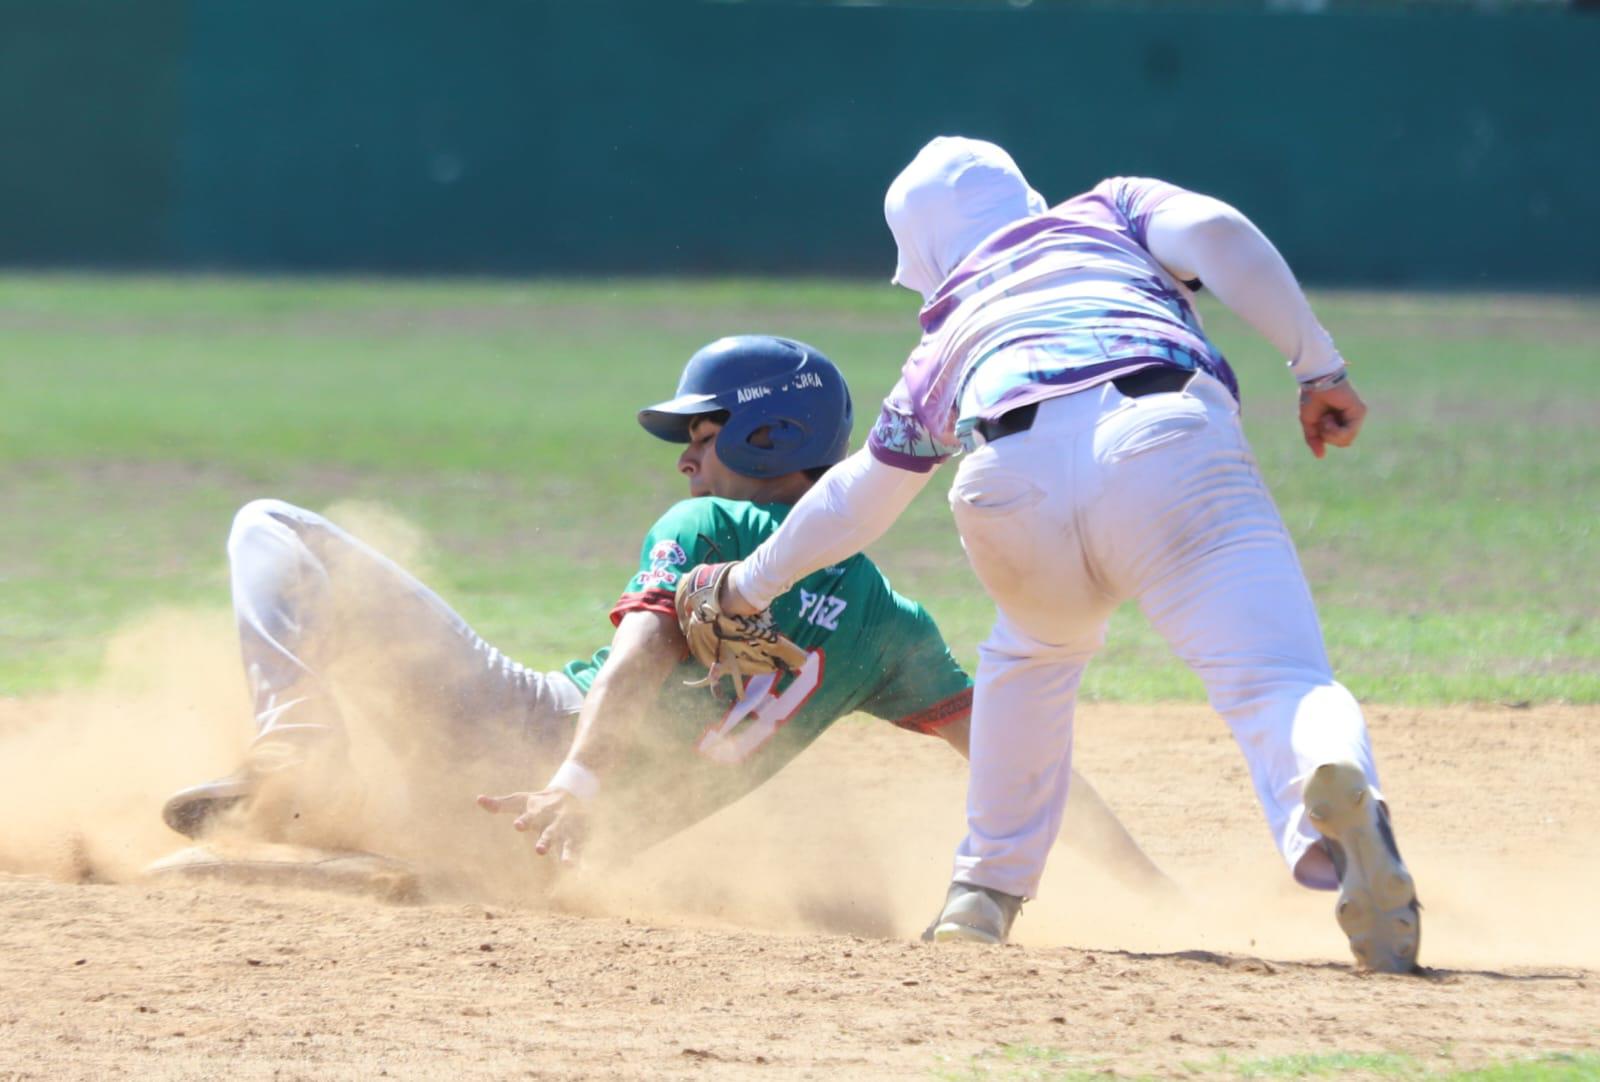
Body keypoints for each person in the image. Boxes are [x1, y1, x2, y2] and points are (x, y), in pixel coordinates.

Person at [698, 138, 1421, 971]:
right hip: (1162, 437)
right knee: (1277, 679)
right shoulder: (1109, 210)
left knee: (1030, 655)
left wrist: (749, 584)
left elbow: (862, 492)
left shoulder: (948, 334)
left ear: (927, 252)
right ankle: (1325, 787)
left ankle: (984, 891)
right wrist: (1317, 366)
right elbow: (1218, 231)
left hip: (1008, 479)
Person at [161, 334, 1166, 897]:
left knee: (272, 524)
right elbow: (1019, 762)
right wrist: (1152, 891)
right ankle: (330, 862)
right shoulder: (892, 628)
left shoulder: (713, 517)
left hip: (532, 746)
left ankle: (298, 756)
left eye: (702, 429)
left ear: (771, 433)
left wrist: (576, 775)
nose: (685, 454)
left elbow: (643, 645)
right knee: (401, 864)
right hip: (562, 849)